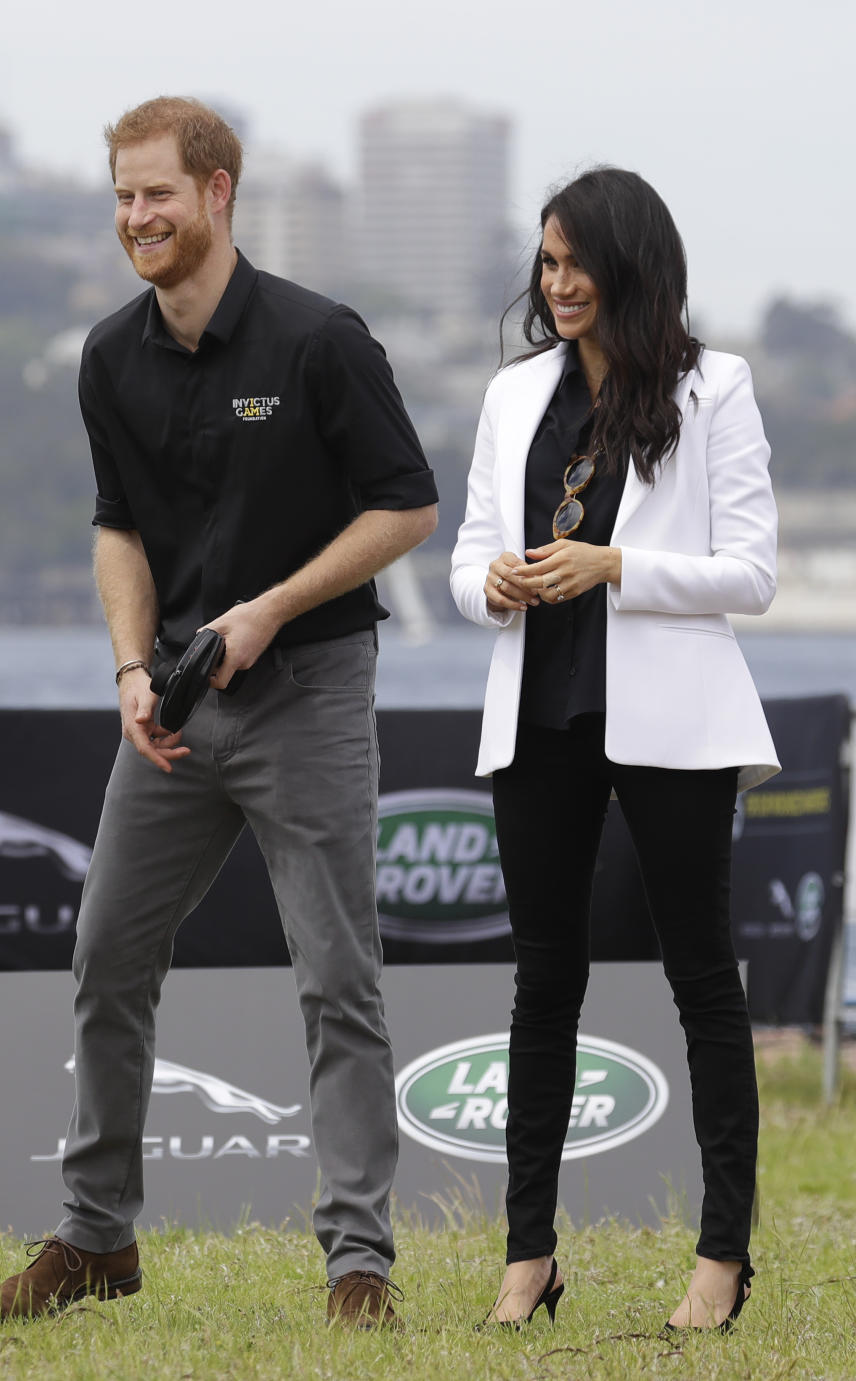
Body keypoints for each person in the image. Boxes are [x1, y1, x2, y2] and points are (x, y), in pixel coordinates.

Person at [0, 96, 437, 1328]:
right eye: (122, 196)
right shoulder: (108, 356)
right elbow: (117, 525)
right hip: (174, 709)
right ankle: (96, 1240)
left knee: (338, 977)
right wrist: (132, 669)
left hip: (310, 692)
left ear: (219, 192)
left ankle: (359, 1265)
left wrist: (273, 606)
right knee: (106, 959)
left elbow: (406, 508)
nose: (137, 217)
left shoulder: (320, 340)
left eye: (158, 194)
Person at [450, 167, 778, 1333]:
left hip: (673, 724)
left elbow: (753, 572)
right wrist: (490, 582)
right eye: (547, 260)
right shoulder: (513, 395)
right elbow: (466, 556)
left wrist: (618, 568)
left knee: (702, 982)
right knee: (544, 985)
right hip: (539, 711)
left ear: (633, 264)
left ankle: (722, 1259)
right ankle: (527, 1260)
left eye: (580, 259)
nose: (561, 282)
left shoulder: (714, 386)